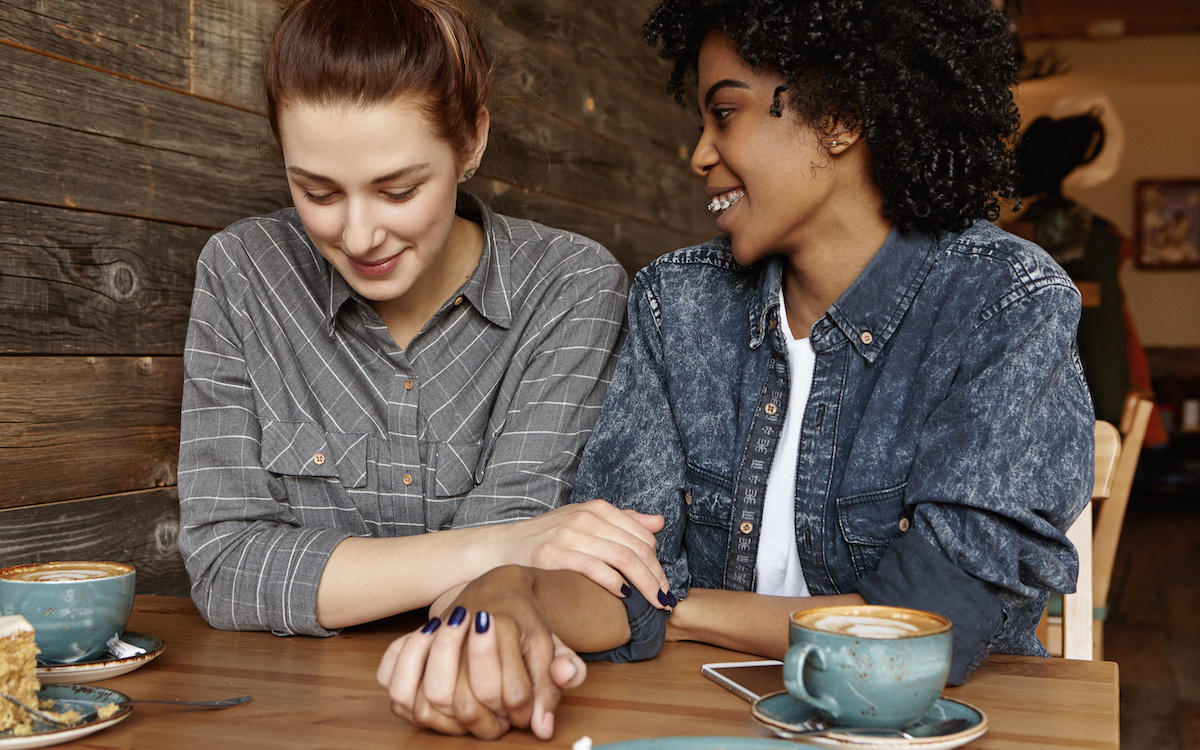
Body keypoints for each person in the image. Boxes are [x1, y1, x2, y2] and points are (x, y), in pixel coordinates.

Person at [376, 0, 1094, 740]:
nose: (699, 153)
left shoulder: (1003, 304)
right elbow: (620, 579)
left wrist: (680, 613)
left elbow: (920, 634)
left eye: (725, 113)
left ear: (841, 116)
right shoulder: (675, 303)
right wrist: (513, 588)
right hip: (706, 723)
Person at [177, 0, 675, 647]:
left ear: (471, 141)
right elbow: (223, 567)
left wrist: (505, 551)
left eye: (399, 190)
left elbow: (516, 581)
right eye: (318, 192)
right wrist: (491, 547)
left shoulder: (570, 285)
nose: (358, 235)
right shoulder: (242, 272)